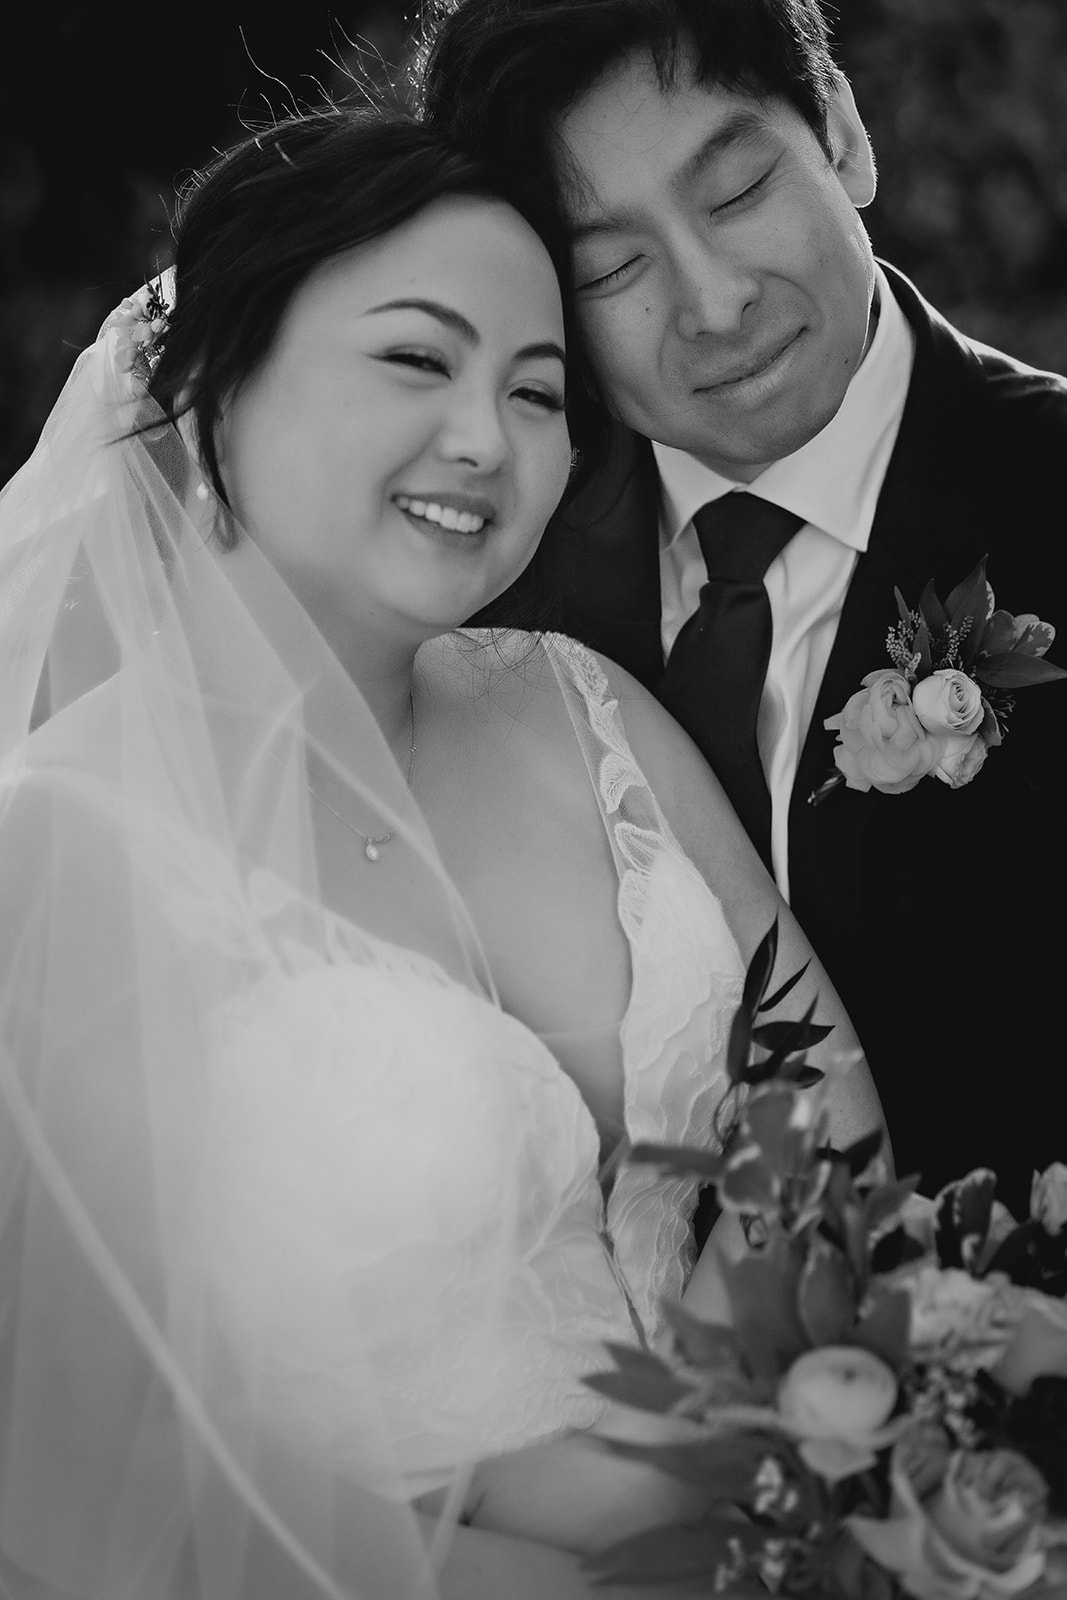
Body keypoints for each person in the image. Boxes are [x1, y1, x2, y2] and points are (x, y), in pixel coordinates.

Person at [0, 106, 881, 1599]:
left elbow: (818, 1104)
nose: (486, 437)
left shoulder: (577, 700)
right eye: (417, 358)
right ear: (214, 389)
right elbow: (87, 1471)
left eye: (535, 391)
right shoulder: (61, 846)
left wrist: (787, 1464)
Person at [413, 0, 1067, 1215]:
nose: (711, 304)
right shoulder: (485, 595)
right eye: (610, 265)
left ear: (843, 136)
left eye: (734, 192)